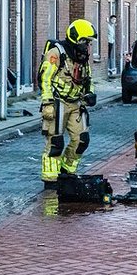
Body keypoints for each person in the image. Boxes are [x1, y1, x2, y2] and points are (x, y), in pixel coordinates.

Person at [39, 19, 97, 188]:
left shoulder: (82, 57)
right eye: (85, 41)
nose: (87, 46)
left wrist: (90, 93)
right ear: (76, 39)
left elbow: (88, 78)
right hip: (58, 103)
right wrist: (47, 103)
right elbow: (45, 79)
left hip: (76, 103)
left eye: (89, 42)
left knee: (82, 140)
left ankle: (66, 171)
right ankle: (50, 180)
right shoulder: (56, 53)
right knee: (55, 142)